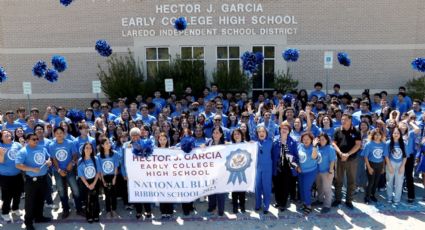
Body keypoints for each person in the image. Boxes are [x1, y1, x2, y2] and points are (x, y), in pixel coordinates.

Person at [15, 133, 52, 230]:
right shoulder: (23, 151)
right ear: (27, 140)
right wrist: (31, 169)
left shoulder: (42, 148)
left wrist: (48, 162)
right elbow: (18, 165)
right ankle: (28, 222)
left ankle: (39, 217)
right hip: (32, 180)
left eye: (37, 139)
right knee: (30, 202)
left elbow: (48, 158)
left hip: (43, 178)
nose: (36, 141)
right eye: (33, 139)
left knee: (40, 200)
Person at [49, 126, 83, 219]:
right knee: (61, 191)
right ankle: (65, 210)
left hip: (70, 170)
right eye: (57, 133)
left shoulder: (70, 143)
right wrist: (59, 170)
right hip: (58, 171)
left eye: (61, 133)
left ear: (64, 134)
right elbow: (54, 159)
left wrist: (71, 163)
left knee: (75, 190)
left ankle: (79, 209)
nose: (59, 134)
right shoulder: (52, 145)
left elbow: (75, 155)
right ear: (54, 134)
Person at [332, 113, 361, 209]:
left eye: (345, 119)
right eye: (342, 119)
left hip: (352, 160)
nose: (343, 121)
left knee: (351, 181)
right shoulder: (337, 130)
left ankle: (349, 200)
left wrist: (348, 154)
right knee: (338, 180)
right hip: (339, 159)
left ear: (350, 120)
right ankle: (337, 199)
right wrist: (340, 153)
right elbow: (334, 143)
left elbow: (358, 145)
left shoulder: (356, 131)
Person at [272, 121, 299, 212]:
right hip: (277, 166)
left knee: (285, 185)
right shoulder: (275, 139)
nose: (284, 130)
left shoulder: (293, 141)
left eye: (286, 128)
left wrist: (293, 162)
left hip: (288, 167)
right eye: (282, 128)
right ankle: (278, 201)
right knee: (277, 185)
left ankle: (283, 203)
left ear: (289, 131)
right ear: (280, 130)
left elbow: (295, 155)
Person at [0, 130, 23, 222]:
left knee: (18, 194)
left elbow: (23, 155)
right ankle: (5, 212)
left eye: (9, 133)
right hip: (5, 176)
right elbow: (1, 161)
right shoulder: (0, 146)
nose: (7, 134)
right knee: (7, 196)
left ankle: (15, 208)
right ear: (1, 137)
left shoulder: (17, 144)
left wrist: (23, 145)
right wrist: (2, 154)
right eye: (5, 134)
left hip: (17, 174)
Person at [362, 129, 388, 203]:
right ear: (373, 135)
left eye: (379, 134)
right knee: (371, 182)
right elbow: (365, 157)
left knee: (376, 182)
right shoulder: (369, 144)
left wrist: (383, 167)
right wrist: (369, 167)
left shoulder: (383, 144)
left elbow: (383, 157)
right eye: (375, 134)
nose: (377, 136)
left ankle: (372, 195)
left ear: (381, 136)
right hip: (371, 164)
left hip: (379, 165)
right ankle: (366, 197)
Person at [206, 127, 227, 216]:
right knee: (211, 191)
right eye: (214, 132)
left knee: (221, 192)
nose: (215, 134)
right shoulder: (209, 143)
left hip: (222, 172)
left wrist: (249, 144)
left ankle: (221, 209)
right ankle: (212, 207)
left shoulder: (225, 144)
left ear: (221, 134)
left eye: (217, 133)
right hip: (210, 172)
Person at [97, 138, 120, 218]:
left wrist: (114, 178)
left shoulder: (115, 153)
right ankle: (107, 211)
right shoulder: (99, 156)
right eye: (106, 143)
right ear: (102, 145)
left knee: (113, 194)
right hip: (104, 177)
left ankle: (113, 210)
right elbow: (99, 169)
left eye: (109, 143)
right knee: (107, 194)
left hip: (113, 176)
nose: (109, 144)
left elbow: (116, 166)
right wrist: (102, 180)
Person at [297, 132, 319, 215]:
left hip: (310, 171)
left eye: (308, 139)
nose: (305, 140)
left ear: (311, 140)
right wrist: (297, 166)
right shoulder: (299, 146)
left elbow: (314, 157)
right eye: (304, 139)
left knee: (306, 188)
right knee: (301, 188)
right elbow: (296, 157)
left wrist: (314, 146)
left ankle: (309, 205)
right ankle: (304, 203)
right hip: (300, 171)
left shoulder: (314, 147)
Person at [78, 142, 100, 223]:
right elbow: (80, 174)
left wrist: (93, 183)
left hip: (95, 181)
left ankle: (96, 214)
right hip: (85, 182)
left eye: (90, 148)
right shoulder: (80, 160)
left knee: (95, 199)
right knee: (88, 200)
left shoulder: (95, 159)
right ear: (83, 149)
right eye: (86, 147)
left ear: (92, 150)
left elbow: (98, 172)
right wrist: (88, 185)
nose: (88, 149)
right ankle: (89, 215)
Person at [254, 125, 274, 214]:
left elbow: (272, 127)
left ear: (266, 133)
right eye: (259, 132)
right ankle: (258, 204)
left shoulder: (270, 141)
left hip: (267, 168)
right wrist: (251, 116)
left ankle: (266, 206)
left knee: (266, 187)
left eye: (263, 131)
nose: (261, 133)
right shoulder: (254, 143)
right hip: (257, 168)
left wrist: (273, 115)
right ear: (257, 134)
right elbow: (251, 128)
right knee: (257, 187)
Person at [315, 133, 336, 213]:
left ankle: (327, 205)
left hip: (327, 171)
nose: (321, 141)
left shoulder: (330, 148)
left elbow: (332, 160)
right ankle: (320, 200)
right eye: (320, 139)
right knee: (319, 187)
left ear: (327, 140)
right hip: (318, 171)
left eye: (323, 139)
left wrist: (330, 171)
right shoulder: (317, 147)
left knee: (327, 189)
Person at [385, 127, 407, 205]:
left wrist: (402, 166)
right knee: (389, 181)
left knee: (399, 182)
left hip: (400, 164)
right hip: (391, 163)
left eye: (398, 133)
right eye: (394, 133)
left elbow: (405, 156)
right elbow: (386, 156)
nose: (396, 134)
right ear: (392, 134)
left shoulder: (403, 143)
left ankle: (397, 199)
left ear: (400, 135)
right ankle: (389, 197)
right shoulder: (388, 143)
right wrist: (389, 166)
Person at [156, 132, 174, 219]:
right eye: (160, 139)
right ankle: (163, 212)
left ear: (167, 140)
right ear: (158, 140)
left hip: (170, 176)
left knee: (169, 195)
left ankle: (170, 212)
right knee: (162, 195)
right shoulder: (154, 151)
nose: (162, 141)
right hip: (159, 176)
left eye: (164, 139)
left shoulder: (172, 150)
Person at [230, 128, 246, 214]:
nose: (236, 135)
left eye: (238, 134)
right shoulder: (230, 145)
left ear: (241, 135)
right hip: (233, 171)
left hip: (243, 171)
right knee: (234, 190)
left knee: (242, 190)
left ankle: (242, 206)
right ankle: (235, 206)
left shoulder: (246, 144)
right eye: (235, 134)